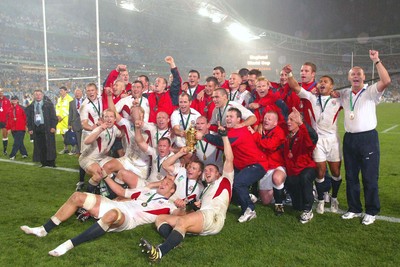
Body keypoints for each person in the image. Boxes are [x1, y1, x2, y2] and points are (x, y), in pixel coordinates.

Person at [139, 126, 234, 263]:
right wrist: (193, 206)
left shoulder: (225, 180)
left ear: (218, 173)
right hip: (205, 219)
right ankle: (173, 241)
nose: (208, 172)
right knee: (161, 219)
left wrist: (224, 136)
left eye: (211, 170)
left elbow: (229, 159)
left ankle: (159, 252)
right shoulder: (205, 189)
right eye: (206, 170)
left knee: (182, 222)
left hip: (212, 216)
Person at [20, 177, 177, 257]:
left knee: (112, 215)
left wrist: (181, 207)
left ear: (172, 191)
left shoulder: (171, 205)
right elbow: (123, 193)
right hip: (117, 205)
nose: (163, 183)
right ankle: (43, 229)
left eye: (168, 184)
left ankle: (68, 245)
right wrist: (107, 176)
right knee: (77, 197)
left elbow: (178, 218)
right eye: (163, 181)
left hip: (128, 218)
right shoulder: (146, 191)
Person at [339, 50, 391, 225]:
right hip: (350, 139)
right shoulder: (345, 93)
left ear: (364, 77)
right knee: (351, 176)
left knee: (369, 177)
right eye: (352, 74)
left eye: (358, 74)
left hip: (368, 139)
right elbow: (329, 93)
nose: (355, 76)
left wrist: (376, 60)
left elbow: (386, 81)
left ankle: (371, 211)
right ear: (349, 78)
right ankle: (354, 208)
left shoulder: (370, 91)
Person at [284, 65, 343, 214]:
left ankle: (334, 198)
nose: (322, 83)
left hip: (333, 140)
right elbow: (295, 86)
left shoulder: (339, 99)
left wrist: (338, 93)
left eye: (326, 82)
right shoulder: (311, 97)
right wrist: (289, 73)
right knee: (320, 172)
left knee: (336, 172)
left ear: (332, 86)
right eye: (320, 81)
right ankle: (322, 199)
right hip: (317, 140)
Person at [203, 108, 268, 222]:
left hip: (257, 164)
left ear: (238, 120)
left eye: (231, 116)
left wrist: (204, 136)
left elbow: (221, 142)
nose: (228, 118)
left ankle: (249, 210)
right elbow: (222, 138)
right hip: (242, 165)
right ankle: (247, 197)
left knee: (238, 183)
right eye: (227, 116)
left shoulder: (240, 131)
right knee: (230, 184)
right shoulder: (230, 130)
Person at [284, 107, 318, 224]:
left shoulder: (304, 133)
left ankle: (308, 210)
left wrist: (301, 124)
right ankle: (308, 192)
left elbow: (313, 138)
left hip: (307, 168)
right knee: (297, 206)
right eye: (288, 119)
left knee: (305, 178)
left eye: (292, 119)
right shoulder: (287, 135)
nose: (288, 122)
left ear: (299, 121)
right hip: (293, 170)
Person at [249, 111, 286, 215]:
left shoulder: (279, 132)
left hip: (278, 165)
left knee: (277, 178)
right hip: (265, 167)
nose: (266, 120)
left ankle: (279, 204)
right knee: (266, 201)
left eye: (269, 119)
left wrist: (255, 135)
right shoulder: (261, 130)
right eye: (265, 118)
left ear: (275, 123)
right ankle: (278, 191)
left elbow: (269, 145)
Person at [79, 109, 123, 194]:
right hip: (88, 158)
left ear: (115, 119)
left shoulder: (115, 128)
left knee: (121, 166)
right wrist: (100, 129)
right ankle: (87, 195)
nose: (109, 119)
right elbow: (86, 141)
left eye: (111, 116)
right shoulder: (99, 129)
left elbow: (121, 134)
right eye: (106, 116)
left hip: (102, 157)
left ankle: (107, 191)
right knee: (98, 175)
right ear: (102, 119)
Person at [26, 90, 58, 167]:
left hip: (47, 127)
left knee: (49, 145)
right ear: (33, 96)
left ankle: (51, 163)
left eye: (39, 94)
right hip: (36, 127)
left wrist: (53, 126)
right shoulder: (31, 106)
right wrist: (30, 128)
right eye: (36, 94)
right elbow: (29, 119)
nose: (38, 96)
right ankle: (43, 162)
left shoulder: (49, 105)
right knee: (39, 146)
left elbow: (53, 117)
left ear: (42, 95)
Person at [6, 96, 28, 160]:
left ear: (18, 100)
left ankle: (12, 155)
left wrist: (27, 126)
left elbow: (26, 118)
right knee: (19, 142)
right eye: (13, 99)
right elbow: (8, 120)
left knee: (16, 142)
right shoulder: (9, 109)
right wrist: (8, 128)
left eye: (15, 99)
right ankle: (24, 153)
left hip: (21, 128)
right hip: (13, 128)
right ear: (11, 100)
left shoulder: (22, 108)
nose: (14, 100)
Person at [56, 86, 74, 154]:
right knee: (63, 134)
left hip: (67, 119)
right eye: (60, 91)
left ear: (66, 91)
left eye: (62, 91)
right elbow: (57, 107)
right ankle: (65, 148)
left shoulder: (70, 99)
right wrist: (57, 115)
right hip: (60, 120)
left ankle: (73, 148)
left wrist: (61, 116)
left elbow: (69, 109)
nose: (60, 92)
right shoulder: (59, 99)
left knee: (70, 134)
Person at [68, 88, 84, 155]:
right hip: (75, 123)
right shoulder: (71, 102)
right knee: (77, 138)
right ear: (74, 94)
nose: (77, 94)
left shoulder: (86, 101)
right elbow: (70, 113)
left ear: (81, 93)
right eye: (76, 93)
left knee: (84, 138)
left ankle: (84, 151)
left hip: (84, 122)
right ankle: (78, 152)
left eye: (79, 93)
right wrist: (69, 123)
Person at [0, 88, 11, 155]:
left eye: (1, 91)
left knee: (4, 135)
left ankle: (4, 150)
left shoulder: (7, 101)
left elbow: (9, 112)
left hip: (4, 121)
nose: (0, 93)